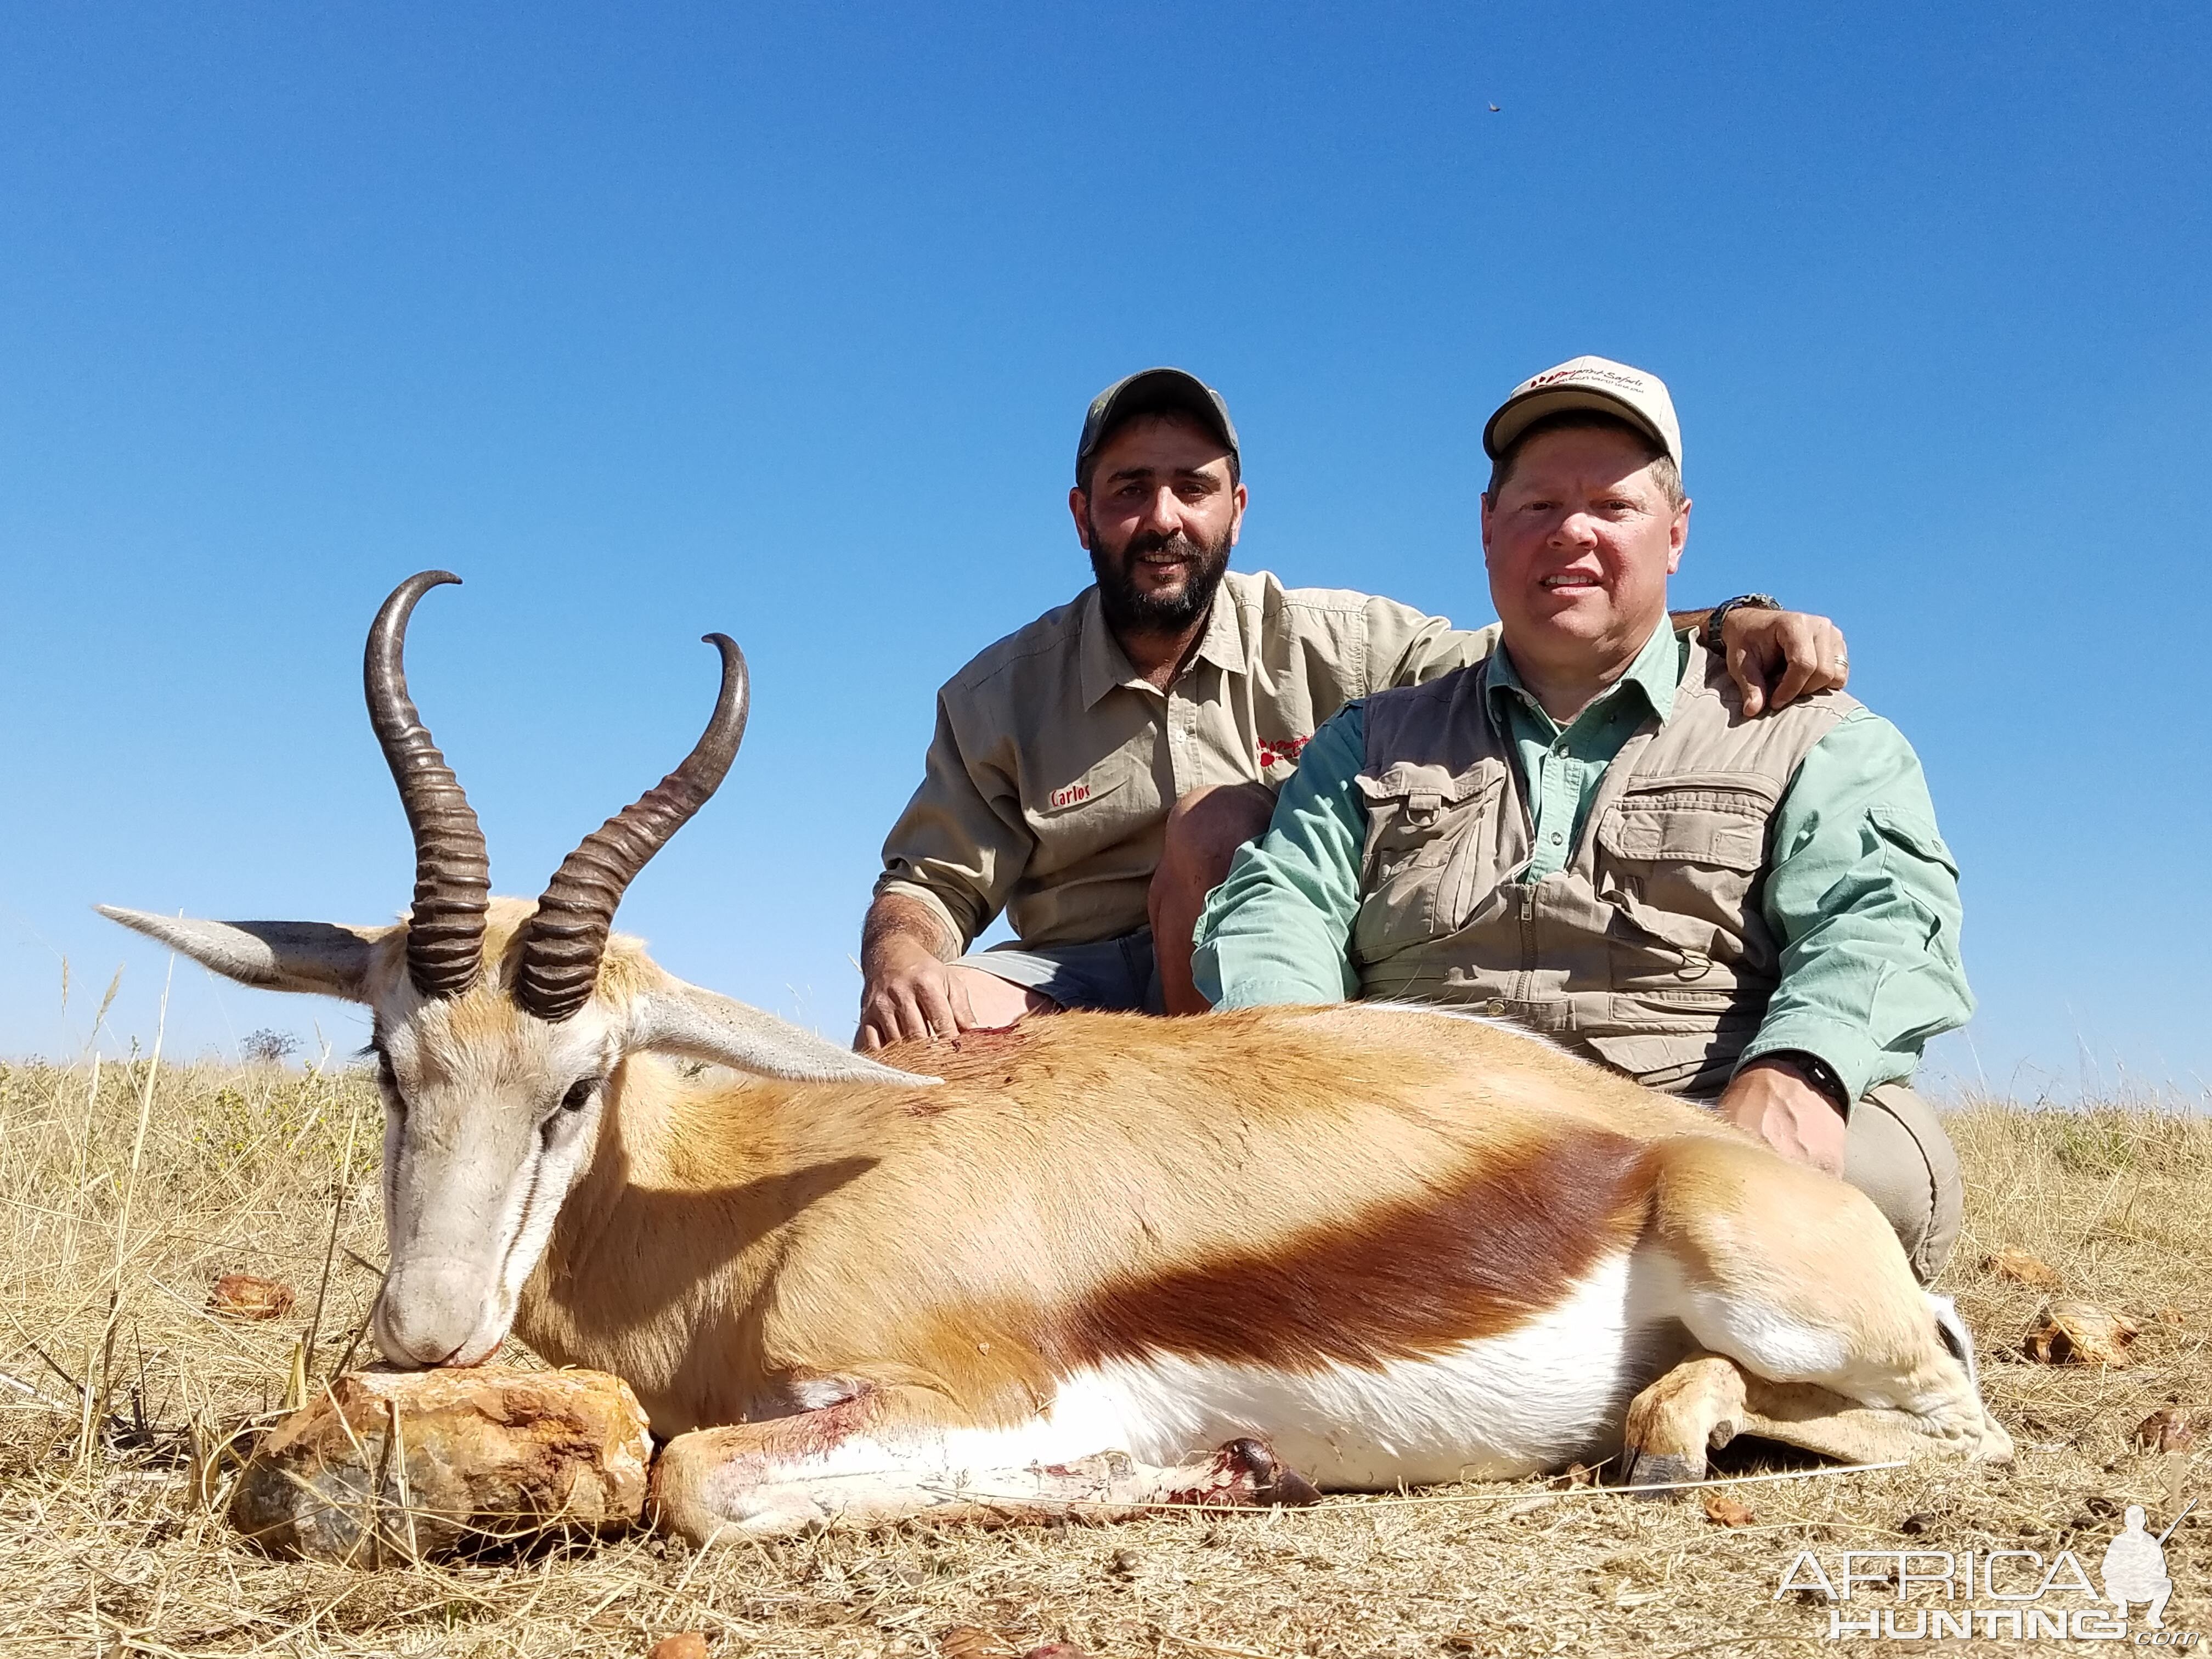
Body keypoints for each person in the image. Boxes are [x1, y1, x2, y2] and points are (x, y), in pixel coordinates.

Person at [1192, 356, 1971, 1279]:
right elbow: (1281, 906)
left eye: (1613, 506)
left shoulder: (1814, 735)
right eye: (1537, 508)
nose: (1572, 534)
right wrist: (1310, 1087)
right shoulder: (1366, 741)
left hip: (1700, 1134)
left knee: (1877, 1174)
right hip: (1425, 1148)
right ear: (1488, 529)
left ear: (1676, 534)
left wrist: (1799, 1074)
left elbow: (1881, 922)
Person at [857, 366, 1850, 1053]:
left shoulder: (1342, 638)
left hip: (1265, 977)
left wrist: (1723, 620)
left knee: (1215, 826)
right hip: (1083, 989)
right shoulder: (995, 695)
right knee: (918, 1034)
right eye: (1129, 490)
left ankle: (1244, 1153)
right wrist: (904, 958)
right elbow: (930, 885)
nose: (1163, 517)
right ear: (1083, 515)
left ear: (1236, 509)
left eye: (1191, 488)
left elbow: (1534, 642)